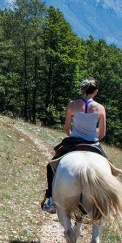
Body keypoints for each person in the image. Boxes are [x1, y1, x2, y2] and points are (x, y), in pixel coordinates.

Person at [42, 77, 107, 214]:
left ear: (83, 90)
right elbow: (102, 134)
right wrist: (93, 136)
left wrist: (73, 134)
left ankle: (52, 199)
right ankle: (106, 203)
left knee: (51, 166)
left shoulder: (73, 104)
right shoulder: (100, 108)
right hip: (93, 144)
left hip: (74, 142)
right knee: (109, 169)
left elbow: (67, 129)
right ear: (95, 92)